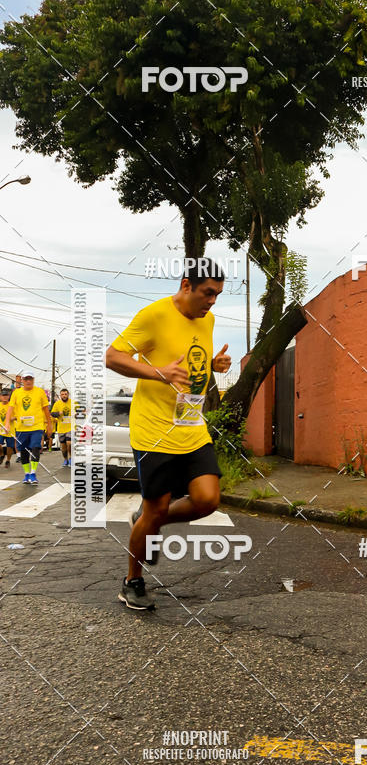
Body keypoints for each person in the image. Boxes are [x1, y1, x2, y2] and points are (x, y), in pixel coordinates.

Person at [105, 259, 231, 611]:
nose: (213, 302)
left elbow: (192, 365)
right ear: (186, 284)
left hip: (192, 426)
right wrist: (157, 372)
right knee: (155, 508)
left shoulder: (208, 320)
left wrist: (213, 366)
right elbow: (113, 357)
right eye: (208, 293)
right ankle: (132, 581)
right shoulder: (154, 315)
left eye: (218, 295)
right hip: (153, 431)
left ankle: (149, 520)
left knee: (207, 499)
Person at [5, 372, 53, 485]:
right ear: (22, 380)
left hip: (37, 426)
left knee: (36, 447)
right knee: (24, 451)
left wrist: (49, 425)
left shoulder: (40, 392)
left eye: (30, 379)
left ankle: (33, 473)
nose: (28, 381)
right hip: (21, 427)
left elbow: (46, 410)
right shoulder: (16, 392)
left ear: (33, 379)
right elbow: (10, 409)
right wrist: (7, 423)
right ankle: (26, 474)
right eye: (26, 379)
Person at [51, 387, 73, 466]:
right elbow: (52, 413)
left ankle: (71, 458)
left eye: (65, 394)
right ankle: (65, 459)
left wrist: (77, 414)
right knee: (63, 447)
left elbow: (81, 411)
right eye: (62, 394)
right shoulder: (57, 403)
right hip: (61, 428)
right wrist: (58, 414)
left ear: (68, 395)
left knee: (69, 443)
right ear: (60, 395)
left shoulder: (73, 403)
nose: (64, 396)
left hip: (71, 428)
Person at [0, 390, 16, 468]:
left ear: (9, 397)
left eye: (6, 395)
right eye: (3, 395)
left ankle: (8, 460)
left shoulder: (12, 406)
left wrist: (10, 418)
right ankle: (2, 455)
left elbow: (17, 416)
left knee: (10, 447)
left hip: (10, 430)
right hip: (0, 430)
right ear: (0, 397)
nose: (5, 397)